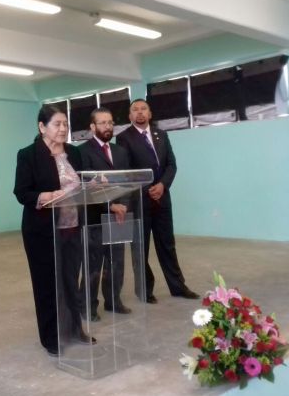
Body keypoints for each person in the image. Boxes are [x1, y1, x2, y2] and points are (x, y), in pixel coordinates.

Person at [14, 105, 95, 357]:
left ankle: (74, 329)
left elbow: (80, 183)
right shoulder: (28, 154)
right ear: (42, 127)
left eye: (65, 124)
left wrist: (93, 185)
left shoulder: (74, 153)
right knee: (48, 284)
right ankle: (51, 337)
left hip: (72, 227)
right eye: (57, 124)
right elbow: (22, 192)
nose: (63, 129)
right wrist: (48, 195)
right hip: (43, 231)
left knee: (71, 281)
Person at [116, 98, 199, 303]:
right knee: (140, 248)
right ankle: (145, 290)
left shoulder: (161, 135)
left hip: (162, 199)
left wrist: (162, 185)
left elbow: (171, 165)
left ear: (150, 113)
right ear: (130, 116)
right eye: (135, 110)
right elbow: (127, 171)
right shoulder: (123, 138)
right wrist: (147, 188)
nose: (140, 113)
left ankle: (178, 286)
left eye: (143, 109)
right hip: (139, 202)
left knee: (167, 245)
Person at [78, 107, 131, 321]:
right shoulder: (82, 152)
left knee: (116, 262)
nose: (107, 126)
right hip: (95, 218)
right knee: (93, 264)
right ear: (92, 127)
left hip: (119, 217)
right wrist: (109, 207)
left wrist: (124, 205)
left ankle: (114, 301)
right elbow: (86, 187)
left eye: (110, 122)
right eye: (102, 123)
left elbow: (128, 182)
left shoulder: (120, 152)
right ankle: (87, 306)